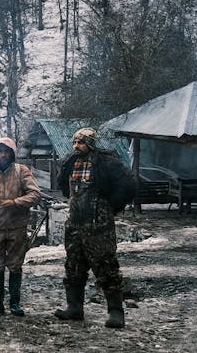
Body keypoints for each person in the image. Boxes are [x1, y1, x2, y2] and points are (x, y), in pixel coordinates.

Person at [53, 128, 136, 328]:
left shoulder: (107, 162)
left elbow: (129, 185)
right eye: (75, 142)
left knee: (106, 266)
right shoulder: (70, 161)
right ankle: (74, 308)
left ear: (90, 143)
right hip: (75, 224)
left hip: (99, 226)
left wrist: (110, 207)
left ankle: (116, 313)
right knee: (73, 265)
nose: (76, 146)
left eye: (80, 142)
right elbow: (64, 188)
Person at [0, 137, 41, 317]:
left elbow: (35, 194)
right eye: (0, 151)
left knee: (15, 266)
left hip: (17, 227)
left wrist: (16, 202)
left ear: (12, 153)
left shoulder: (21, 171)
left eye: (6, 151)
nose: (3, 154)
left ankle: (15, 303)